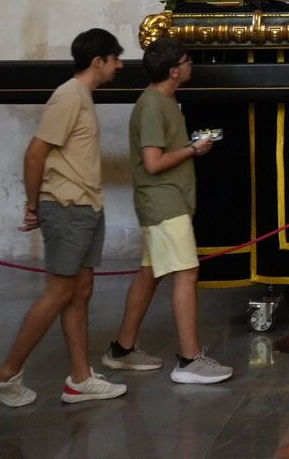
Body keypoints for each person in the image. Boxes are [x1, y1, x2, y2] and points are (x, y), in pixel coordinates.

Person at [0, 29, 128, 407]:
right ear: (98, 61)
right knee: (60, 291)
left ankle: (79, 379)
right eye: (115, 59)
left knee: (81, 291)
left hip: (85, 206)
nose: (119, 66)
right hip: (66, 207)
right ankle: (5, 376)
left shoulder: (83, 97)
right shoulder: (68, 96)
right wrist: (33, 206)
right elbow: (35, 153)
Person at [103, 38, 233, 385]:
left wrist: (191, 146)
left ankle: (123, 349)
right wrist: (191, 150)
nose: (192, 65)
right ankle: (189, 360)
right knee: (187, 273)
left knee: (151, 273)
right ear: (174, 70)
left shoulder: (164, 100)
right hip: (163, 202)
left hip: (167, 200)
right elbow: (153, 162)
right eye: (188, 61)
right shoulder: (152, 106)